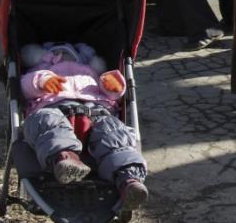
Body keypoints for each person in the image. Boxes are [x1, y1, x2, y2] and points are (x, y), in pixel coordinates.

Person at [20, 43, 148, 211]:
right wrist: (41, 80)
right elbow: (24, 86)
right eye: (57, 54)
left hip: (96, 113)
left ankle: (129, 181)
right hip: (55, 110)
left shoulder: (91, 73)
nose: (63, 57)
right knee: (45, 122)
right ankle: (65, 160)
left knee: (113, 132)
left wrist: (113, 87)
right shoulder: (41, 70)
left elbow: (112, 95)